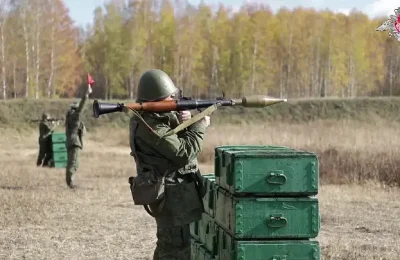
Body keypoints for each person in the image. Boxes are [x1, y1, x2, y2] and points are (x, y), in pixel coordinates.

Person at [128, 69, 211, 260]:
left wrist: (187, 121)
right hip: (173, 198)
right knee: (175, 250)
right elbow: (184, 153)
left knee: (171, 248)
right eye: (170, 98)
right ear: (157, 99)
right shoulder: (150, 126)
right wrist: (200, 124)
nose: (174, 100)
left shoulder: (151, 119)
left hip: (175, 195)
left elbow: (171, 143)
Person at [65, 85, 92, 188]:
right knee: (73, 162)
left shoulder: (70, 118)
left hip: (71, 142)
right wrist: (87, 94)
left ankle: (70, 181)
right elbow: (81, 108)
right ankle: (70, 182)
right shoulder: (74, 117)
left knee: (74, 162)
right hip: (74, 142)